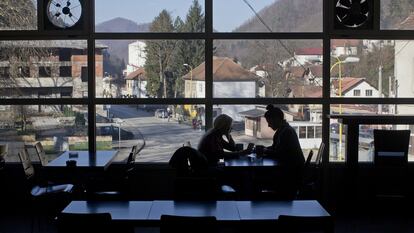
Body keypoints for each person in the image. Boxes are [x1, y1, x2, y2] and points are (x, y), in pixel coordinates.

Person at [263, 104, 305, 198]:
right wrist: (265, 149)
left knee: (258, 179)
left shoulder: (286, 132)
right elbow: (277, 148)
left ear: (276, 119)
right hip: (292, 170)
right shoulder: (284, 130)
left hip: (290, 175)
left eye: (269, 122)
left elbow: (279, 153)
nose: (269, 125)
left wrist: (264, 151)